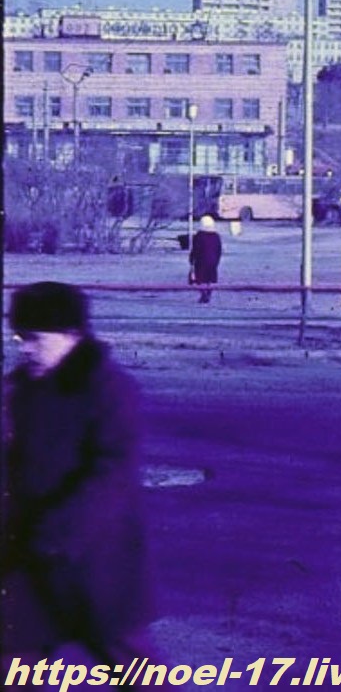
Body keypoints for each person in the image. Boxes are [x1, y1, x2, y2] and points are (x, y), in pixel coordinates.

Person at [2, 282, 156, 665]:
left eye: (36, 338)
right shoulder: (22, 389)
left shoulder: (109, 389)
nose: (25, 348)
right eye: (20, 337)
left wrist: (59, 533)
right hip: (27, 562)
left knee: (133, 667)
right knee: (15, 664)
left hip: (95, 559)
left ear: (72, 334)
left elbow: (113, 473)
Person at [187, 214, 222, 304]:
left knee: (200, 279)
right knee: (209, 279)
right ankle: (208, 293)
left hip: (201, 261)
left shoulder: (199, 236)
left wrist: (191, 259)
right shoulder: (216, 236)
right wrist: (217, 260)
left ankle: (203, 294)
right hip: (213, 261)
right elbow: (219, 250)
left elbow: (195, 249)